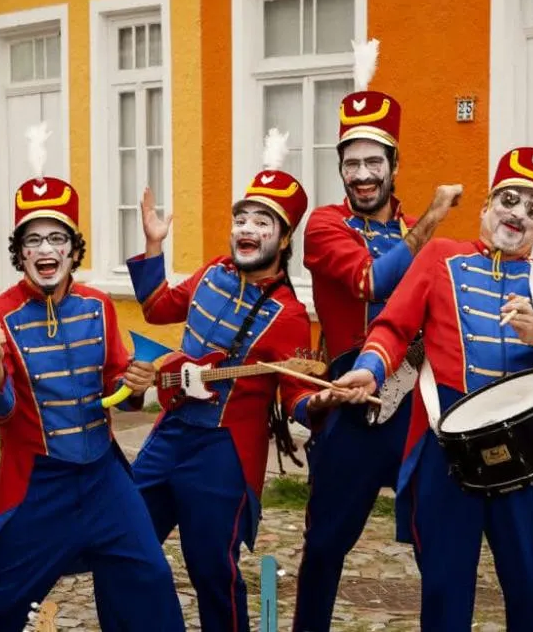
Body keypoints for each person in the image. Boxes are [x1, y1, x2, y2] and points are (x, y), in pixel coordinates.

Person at [331, 117, 533, 630]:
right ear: (486, 206)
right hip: (447, 449)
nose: (518, 215)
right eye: (509, 200)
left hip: (526, 456)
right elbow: (392, 327)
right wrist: (369, 370)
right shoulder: (439, 258)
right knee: (444, 586)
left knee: (529, 586)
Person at [97, 129, 347, 632]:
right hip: (168, 435)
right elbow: (158, 306)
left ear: (284, 237)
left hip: (224, 455)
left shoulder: (290, 314)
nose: (247, 229)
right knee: (120, 542)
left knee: (212, 571)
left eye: (262, 221)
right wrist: (152, 245)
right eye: (241, 219)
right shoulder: (212, 271)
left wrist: (319, 402)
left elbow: (296, 394)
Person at [0, 123, 185, 632]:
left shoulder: (98, 306)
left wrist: (135, 387)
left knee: (148, 577)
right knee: (1, 602)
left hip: (104, 477)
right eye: (33, 239)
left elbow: (115, 396)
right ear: (20, 251)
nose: (46, 250)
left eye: (57, 237)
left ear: (72, 248)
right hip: (38, 483)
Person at [293, 39, 461, 632]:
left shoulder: (415, 227)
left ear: (394, 164)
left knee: (435, 539)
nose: (362, 176)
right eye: (351, 164)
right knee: (326, 544)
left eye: (374, 163)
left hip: (417, 404)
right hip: (352, 398)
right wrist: (435, 226)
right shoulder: (324, 224)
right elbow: (369, 282)